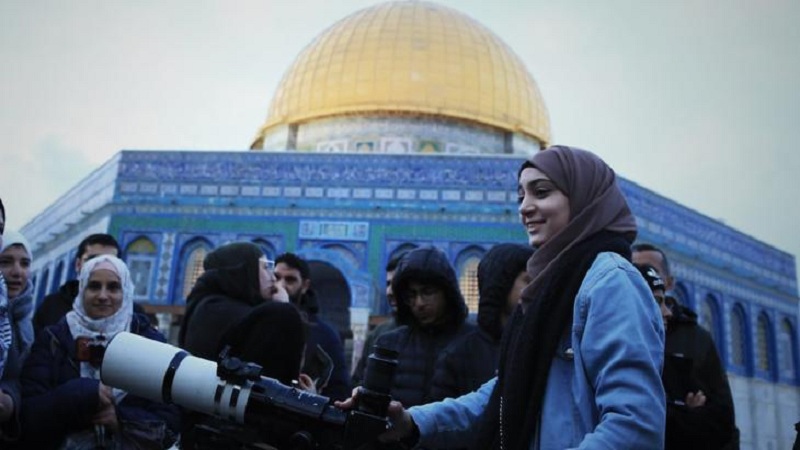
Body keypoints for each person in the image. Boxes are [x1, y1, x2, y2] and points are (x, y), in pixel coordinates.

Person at [337, 145, 666, 449]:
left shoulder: (609, 282)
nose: (525, 208)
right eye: (521, 196)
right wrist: (413, 421)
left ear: (584, 198)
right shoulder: (550, 287)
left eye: (542, 192)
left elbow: (635, 426)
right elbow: (504, 391)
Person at [19, 254, 181, 449]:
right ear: (82, 290)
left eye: (113, 287)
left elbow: (169, 419)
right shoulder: (55, 339)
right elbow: (28, 415)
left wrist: (120, 419)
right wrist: (80, 395)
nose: (103, 296)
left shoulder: (148, 341)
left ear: (126, 292)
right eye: (94, 286)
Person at [633, 243, 737, 449]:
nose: (641, 276)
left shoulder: (696, 340)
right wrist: (684, 413)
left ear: (669, 282)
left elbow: (723, 420)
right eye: (634, 269)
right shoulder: (618, 341)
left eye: (651, 270)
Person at [372, 246, 475, 408]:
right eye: (411, 295)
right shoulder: (389, 343)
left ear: (447, 293)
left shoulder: (473, 343)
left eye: (427, 292)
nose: (419, 303)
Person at [429, 243, 533, 401]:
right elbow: (447, 413)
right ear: (502, 283)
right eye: (528, 280)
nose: (535, 288)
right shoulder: (458, 356)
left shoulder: (539, 344)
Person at [275, 252, 351, 400]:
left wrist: (313, 398)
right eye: (276, 277)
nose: (281, 285)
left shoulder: (324, 335)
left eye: (290, 280)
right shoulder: (259, 323)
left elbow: (340, 391)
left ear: (305, 286)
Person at [33, 233, 122, 333]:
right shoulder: (52, 306)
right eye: (92, 260)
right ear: (78, 265)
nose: (100, 267)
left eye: (109, 262)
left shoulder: (131, 313)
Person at [0, 230, 35, 443]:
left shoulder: (24, 323)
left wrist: (10, 402)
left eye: (25, 263)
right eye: (5, 262)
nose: (17, 272)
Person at [351, 251, 405, 386]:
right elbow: (358, 382)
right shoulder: (380, 334)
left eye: (396, 284)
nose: (390, 291)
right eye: (388, 284)